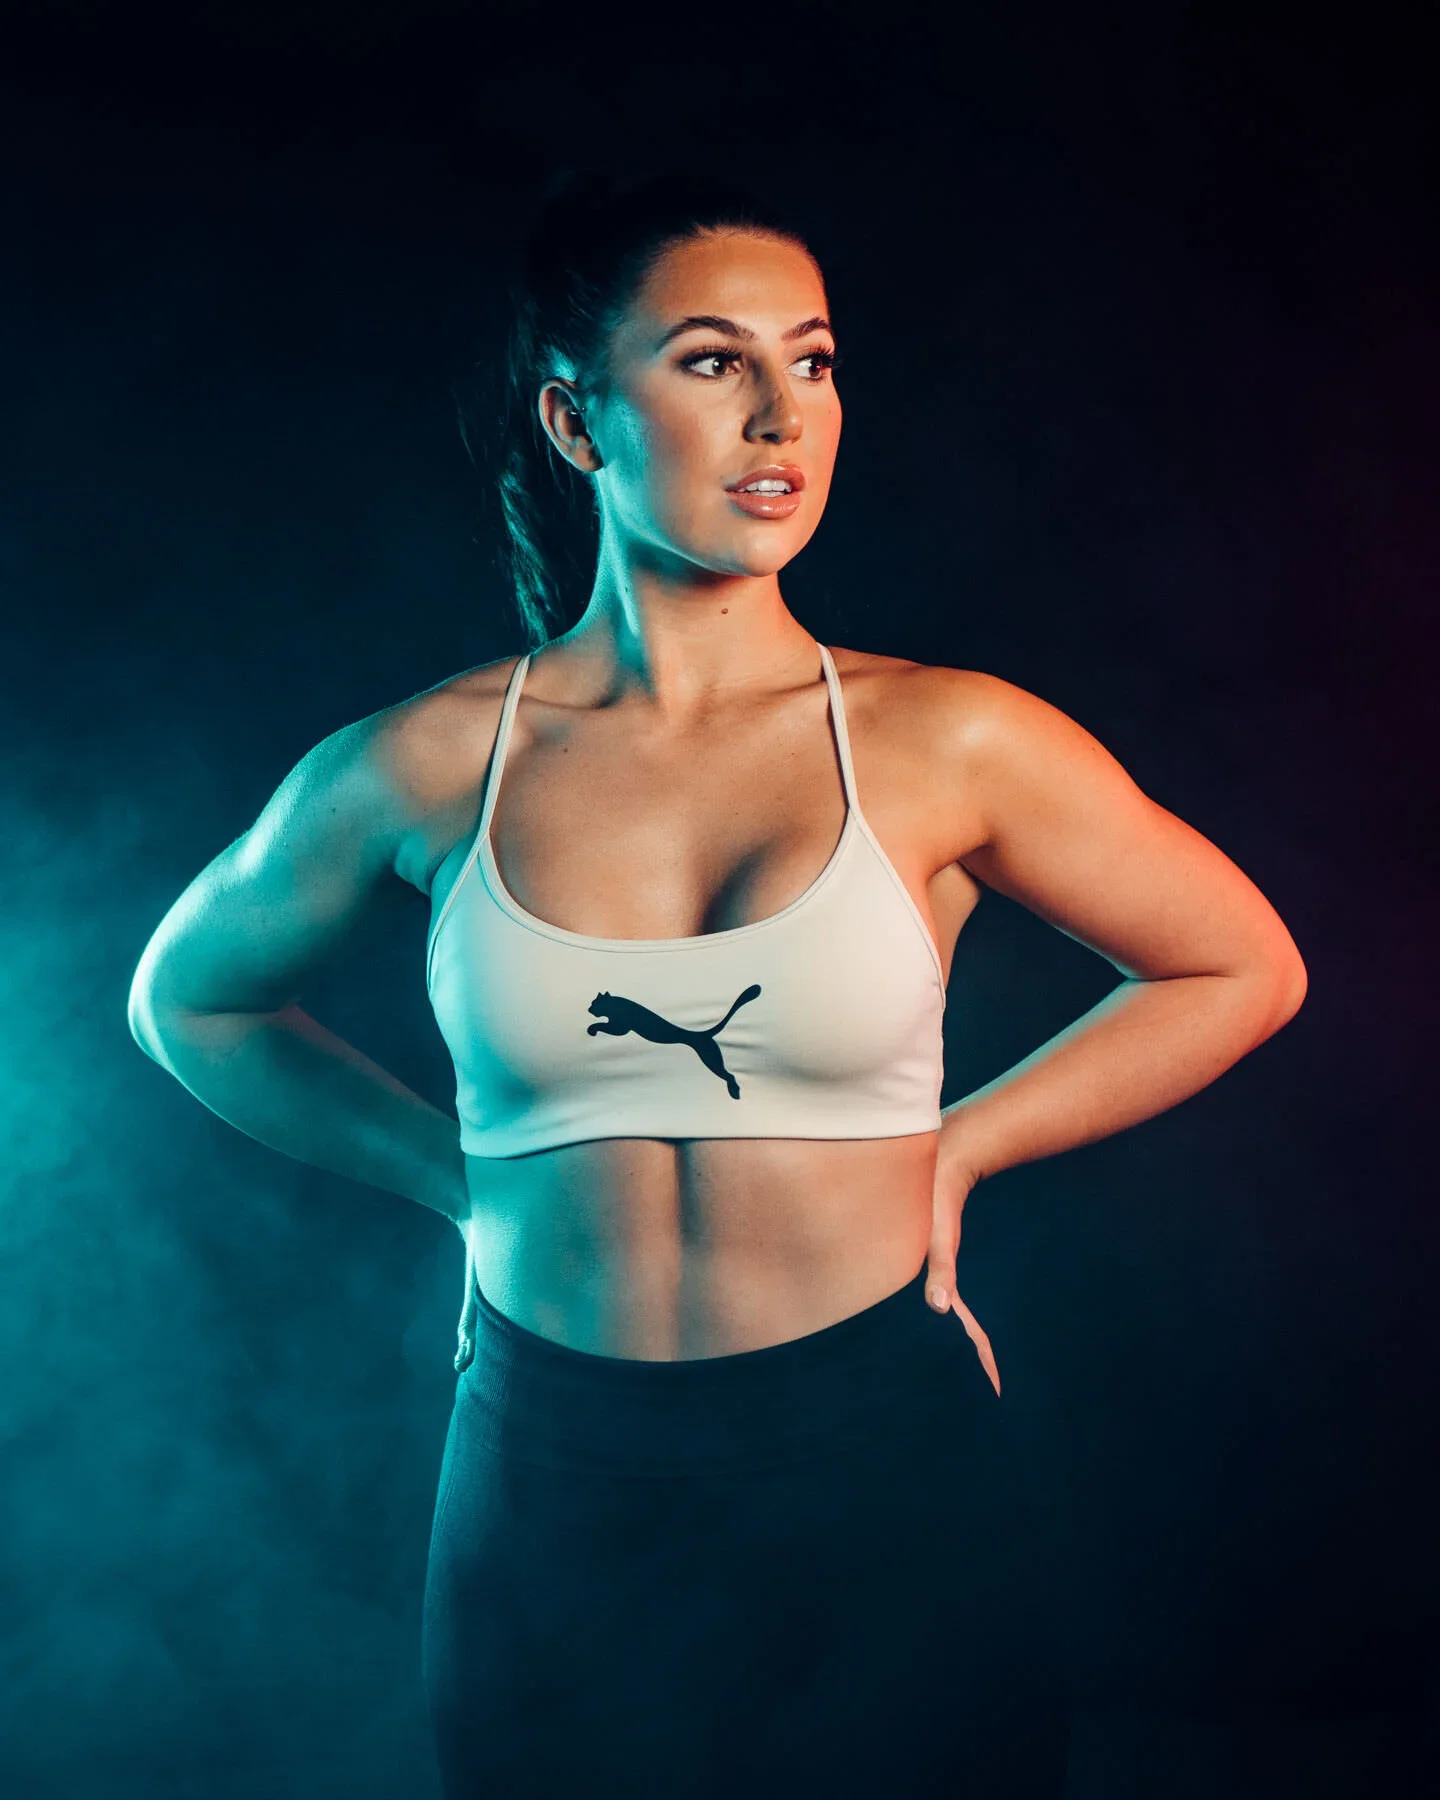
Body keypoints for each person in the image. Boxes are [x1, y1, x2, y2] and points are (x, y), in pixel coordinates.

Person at [127, 166, 1308, 1799]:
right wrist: (454, 1187)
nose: (779, 415)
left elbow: (1239, 960)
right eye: (710, 360)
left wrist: (957, 1149)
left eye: (811, 361)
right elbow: (187, 1000)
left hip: (880, 1459)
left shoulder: (946, 738)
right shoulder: (431, 761)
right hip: (553, 1472)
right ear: (574, 420)